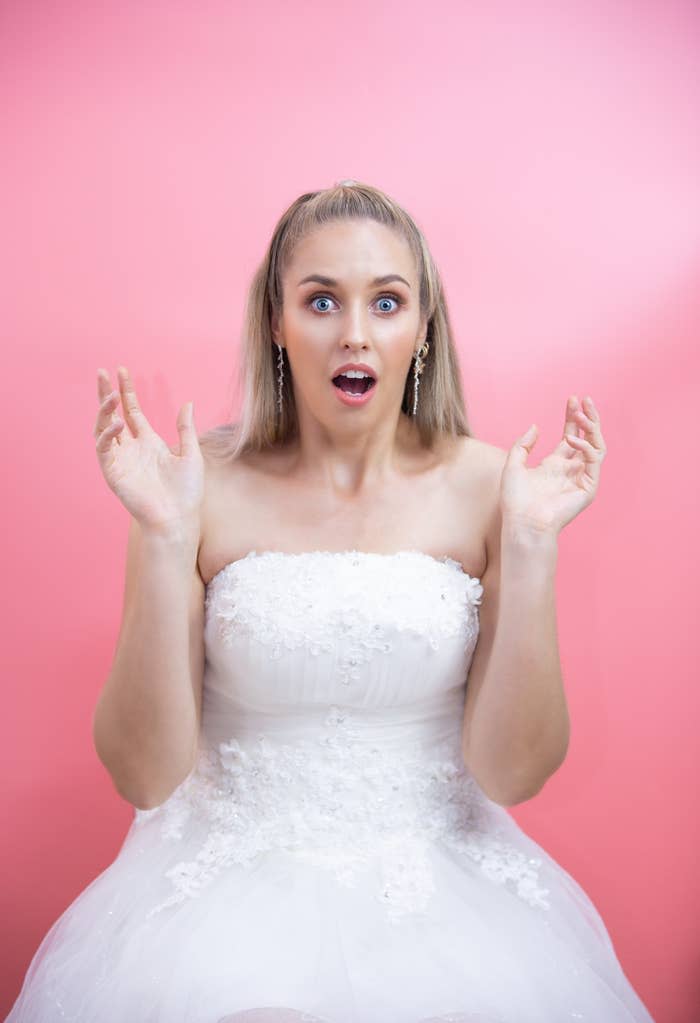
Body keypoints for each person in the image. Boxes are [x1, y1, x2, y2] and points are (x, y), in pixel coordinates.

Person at [7, 180, 655, 1022]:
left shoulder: (498, 487)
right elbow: (143, 771)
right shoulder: (192, 485)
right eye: (321, 300)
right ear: (276, 323)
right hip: (218, 912)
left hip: (447, 904)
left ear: (423, 328)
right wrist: (166, 537)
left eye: (387, 302)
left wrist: (532, 546)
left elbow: (514, 772)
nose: (355, 333)